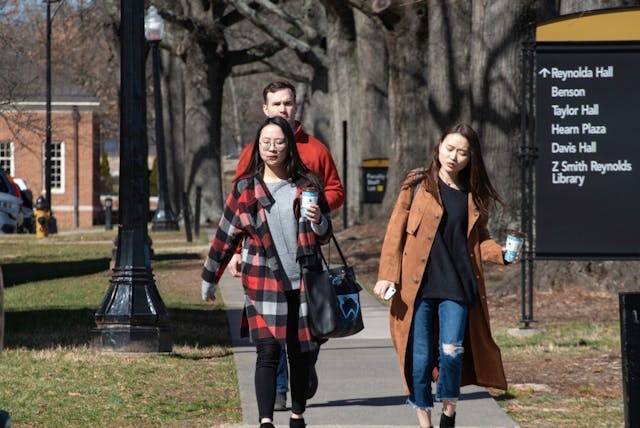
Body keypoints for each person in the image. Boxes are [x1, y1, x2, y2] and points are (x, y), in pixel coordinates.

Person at [373, 123, 512, 428]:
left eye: (463, 152)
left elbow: (480, 239)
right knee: (419, 358)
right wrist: (387, 275)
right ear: (438, 147)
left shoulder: (473, 195)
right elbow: (395, 231)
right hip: (417, 288)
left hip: (458, 286)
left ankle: (448, 412)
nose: (454, 157)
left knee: (451, 351)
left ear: (471, 158)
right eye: (450, 148)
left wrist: (501, 254)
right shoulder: (417, 184)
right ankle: (425, 422)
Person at [202, 116, 332, 428]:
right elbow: (224, 238)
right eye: (265, 143)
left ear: (289, 146)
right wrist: (210, 278)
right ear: (258, 148)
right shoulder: (245, 190)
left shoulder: (307, 185)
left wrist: (318, 220)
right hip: (262, 284)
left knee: (300, 354)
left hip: (302, 283)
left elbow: (325, 234)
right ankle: (265, 422)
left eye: (278, 142)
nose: (272, 148)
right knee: (267, 353)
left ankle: (297, 416)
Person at [229, 80, 345, 410]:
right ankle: (279, 388)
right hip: (266, 261)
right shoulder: (255, 151)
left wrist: (315, 205)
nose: (283, 109)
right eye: (276, 104)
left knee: (309, 330)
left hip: (304, 255)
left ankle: (304, 366)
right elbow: (239, 204)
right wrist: (237, 252)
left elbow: (336, 190)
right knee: (273, 334)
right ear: (266, 110)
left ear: (296, 107)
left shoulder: (316, 150)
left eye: (288, 103)